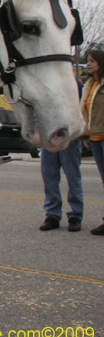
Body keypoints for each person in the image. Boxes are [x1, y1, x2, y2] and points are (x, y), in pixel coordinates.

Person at [40, 78, 83, 232]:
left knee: (73, 177)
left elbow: (79, 108)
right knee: (49, 177)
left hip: (69, 137)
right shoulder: (43, 83)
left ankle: (76, 215)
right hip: (48, 136)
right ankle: (52, 215)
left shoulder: (74, 83)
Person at [82, 49, 104, 236]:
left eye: (91, 61)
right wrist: (87, 135)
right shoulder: (90, 84)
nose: (88, 64)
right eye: (87, 60)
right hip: (95, 139)